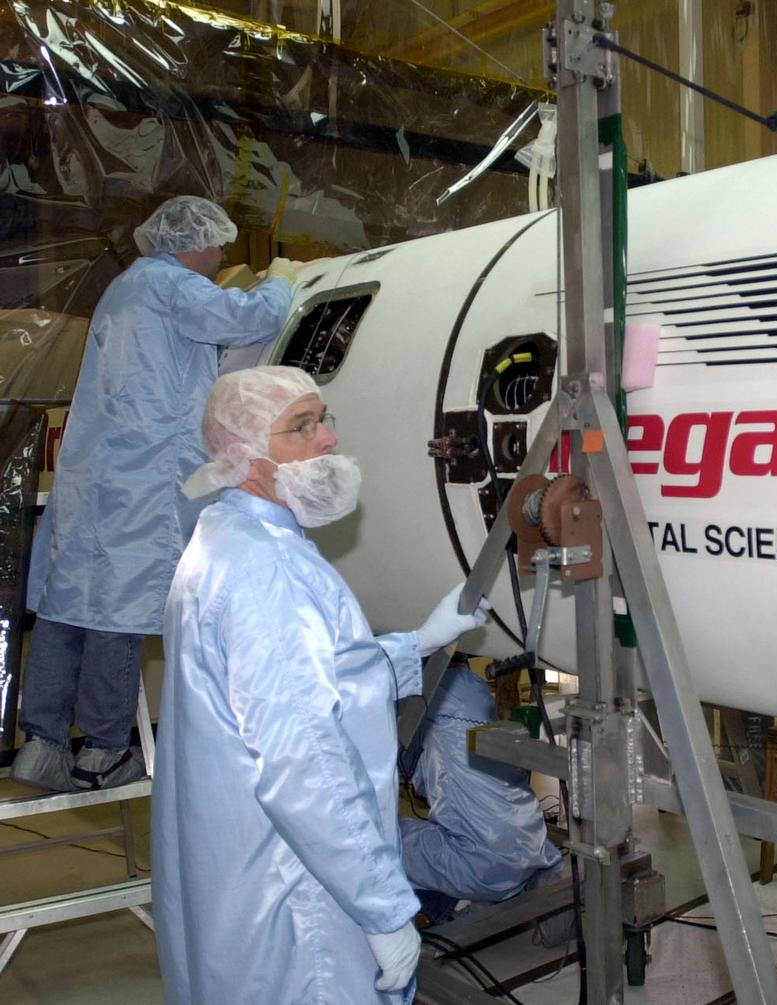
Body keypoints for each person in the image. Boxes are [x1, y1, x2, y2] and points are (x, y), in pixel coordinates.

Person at [152, 365, 490, 1004]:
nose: (328, 440)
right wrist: (385, 907)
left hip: (244, 868)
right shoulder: (265, 568)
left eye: (323, 418)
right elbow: (304, 757)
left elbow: (316, 681)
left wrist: (419, 642)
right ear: (242, 456)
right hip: (296, 888)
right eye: (300, 428)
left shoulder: (232, 537)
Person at [13, 195, 299, 792]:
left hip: (97, 473)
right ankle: (106, 750)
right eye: (218, 243)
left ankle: (40, 746)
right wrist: (281, 283)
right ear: (189, 241)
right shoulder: (172, 287)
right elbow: (248, 320)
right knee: (120, 610)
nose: (222, 253)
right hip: (141, 479)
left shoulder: (124, 288)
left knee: (70, 606)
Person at [399, 653, 563, 924]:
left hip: (481, 864)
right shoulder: (475, 691)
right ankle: (512, 887)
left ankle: (454, 904)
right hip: (533, 848)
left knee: (373, 842)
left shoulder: (419, 692)